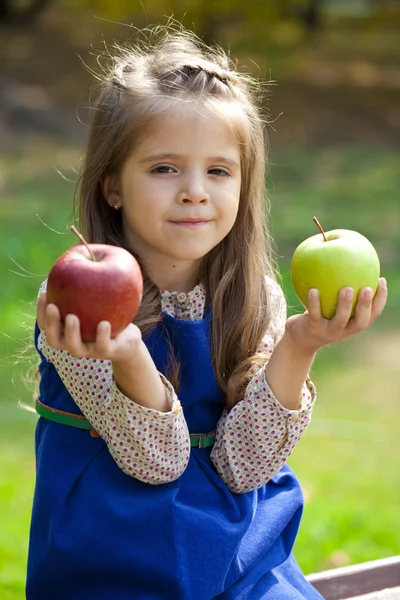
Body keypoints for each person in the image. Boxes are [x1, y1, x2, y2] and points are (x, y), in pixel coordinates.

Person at [26, 27, 387, 600]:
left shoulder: (254, 297)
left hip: (239, 561)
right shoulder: (75, 304)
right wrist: (126, 355)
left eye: (218, 171)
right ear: (112, 185)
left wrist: (299, 344)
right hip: (112, 562)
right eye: (164, 168)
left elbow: (245, 467)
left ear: (244, 188)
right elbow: (159, 460)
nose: (195, 191)